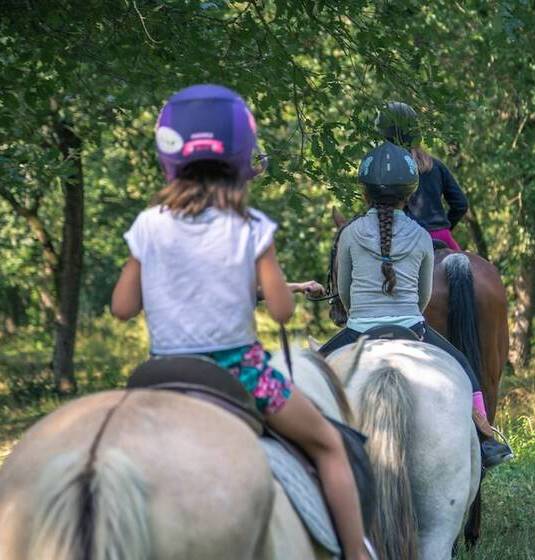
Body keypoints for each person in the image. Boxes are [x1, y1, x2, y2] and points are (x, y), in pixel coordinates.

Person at [110, 84, 368, 560]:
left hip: (159, 376)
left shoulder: (148, 224)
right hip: (239, 373)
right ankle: (356, 553)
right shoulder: (252, 227)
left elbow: (123, 307)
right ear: (241, 157)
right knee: (330, 445)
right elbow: (281, 311)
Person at [319, 140, 512, 469]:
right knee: (467, 371)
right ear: (409, 194)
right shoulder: (423, 237)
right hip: (413, 328)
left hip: (359, 330)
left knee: (313, 373)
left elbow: (345, 293)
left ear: (365, 193)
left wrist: (361, 315)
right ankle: (484, 441)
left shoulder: (349, 234)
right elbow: (423, 297)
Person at [375, 101, 468, 251]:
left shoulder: (388, 171)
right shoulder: (436, 165)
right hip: (442, 237)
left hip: (409, 241)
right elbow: (461, 204)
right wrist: (443, 228)